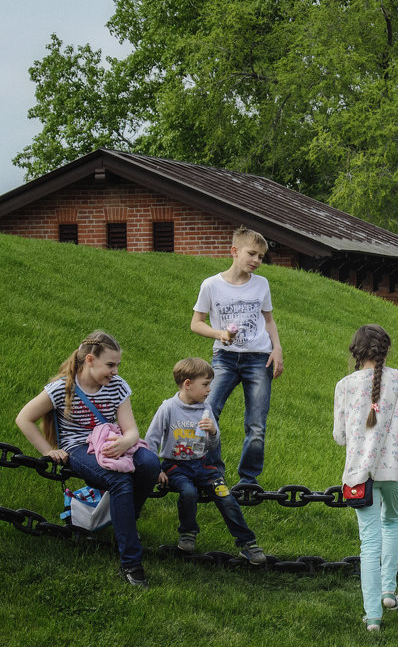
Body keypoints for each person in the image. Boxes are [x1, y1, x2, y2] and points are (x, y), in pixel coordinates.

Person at [15, 331, 160, 588]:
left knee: (149, 464)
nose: (115, 372)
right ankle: (131, 563)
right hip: (78, 448)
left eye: (117, 365)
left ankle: (126, 522)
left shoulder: (117, 386)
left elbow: (131, 430)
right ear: (90, 360)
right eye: (110, 365)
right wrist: (48, 450)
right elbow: (24, 418)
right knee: (120, 482)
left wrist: (125, 443)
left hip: (110, 440)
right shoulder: (62, 389)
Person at [333, 324, 398, 633]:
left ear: (355, 352)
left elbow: (339, 437)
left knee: (368, 544)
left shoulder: (344, 385)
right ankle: (389, 592)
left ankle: (373, 616)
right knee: (391, 522)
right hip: (396, 470)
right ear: (386, 350)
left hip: (360, 473)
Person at [144, 357, 267, 565]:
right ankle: (188, 533)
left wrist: (212, 433)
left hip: (203, 466)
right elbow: (151, 440)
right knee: (189, 492)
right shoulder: (168, 408)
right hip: (176, 467)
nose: (209, 390)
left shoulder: (205, 409)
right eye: (205, 384)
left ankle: (248, 543)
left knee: (225, 496)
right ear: (188, 384)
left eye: (210, 384)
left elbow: (210, 446)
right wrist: (156, 469)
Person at [190, 225, 283, 486]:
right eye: (252, 254)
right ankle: (212, 472)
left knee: (256, 426)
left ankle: (248, 479)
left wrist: (277, 349)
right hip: (224, 358)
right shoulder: (211, 285)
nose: (256, 261)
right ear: (234, 251)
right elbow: (196, 323)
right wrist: (219, 333)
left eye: (261, 257)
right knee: (208, 414)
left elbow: (269, 321)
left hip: (258, 358)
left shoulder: (262, 285)